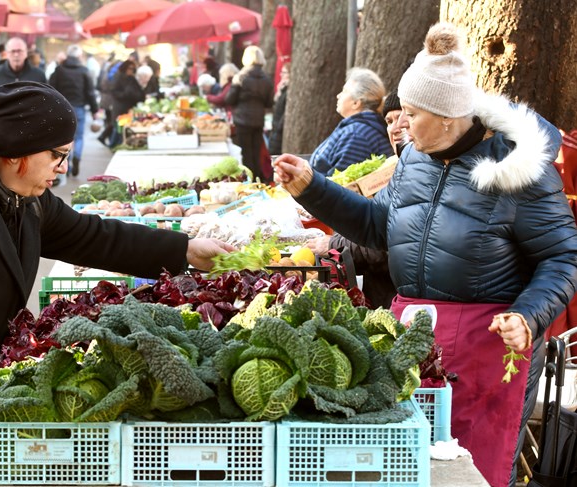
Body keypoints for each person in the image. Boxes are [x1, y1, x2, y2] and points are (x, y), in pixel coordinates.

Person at [0, 81, 235, 487]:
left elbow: (93, 236)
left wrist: (185, 250)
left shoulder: (24, 196)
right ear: (18, 153)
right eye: (57, 155)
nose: (63, 168)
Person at [273, 23, 577, 487]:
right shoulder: (413, 158)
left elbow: (563, 258)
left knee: (470, 471)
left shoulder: (522, 171)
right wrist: (312, 189)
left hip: (489, 344)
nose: (399, 123)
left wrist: (528, 316)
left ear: (448, 118)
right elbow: (378, 226)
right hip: (413, 333)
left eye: (411, 114)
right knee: (406, 467)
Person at [303, 90, 405, 309]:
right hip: (384, 298)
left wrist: (334, 243)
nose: (396, 128)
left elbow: (386, 241)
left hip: (393, 302)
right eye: (390, 120)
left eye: (405, 118)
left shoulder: (414, 174)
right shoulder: (399, 168)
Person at [310, 67, 393, 176]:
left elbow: (338, 183)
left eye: (344, 91)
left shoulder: (357, 134)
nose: (338, 96)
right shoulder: (358, 129)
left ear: (356, 103)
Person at [225, 45, 274, 183]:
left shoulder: (240, 77)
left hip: (242, 120)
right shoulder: (267, 79)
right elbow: (269, 103)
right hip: (258, 120)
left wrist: (234, 85)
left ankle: (248, 181)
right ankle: (257, 180)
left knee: (245, 153)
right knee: (256, 152)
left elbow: (229, 99)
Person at [49, 44, 99, 177]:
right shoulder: (84, 70)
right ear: (79, 56)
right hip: (79, 108)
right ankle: (77, 156)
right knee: (79, 137)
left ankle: (68, 164)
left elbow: (50, 88)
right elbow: (90, 92)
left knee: (65, 138)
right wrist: (95, 110)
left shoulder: (59, 70)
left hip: (63, 108)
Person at [0, 37, 46, 109]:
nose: (16, 55)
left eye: (19, 51)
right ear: (6, 53)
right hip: (2, 119)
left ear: (26, 53)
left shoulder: (39, 75)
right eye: (13, 51)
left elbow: (46, 100)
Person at [109, 59, 145, 148]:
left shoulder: (132, 79)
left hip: (129, 106)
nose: (131, 70)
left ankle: (116, 144)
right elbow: (114, 91)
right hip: (120, 106)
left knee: (122, 127)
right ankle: (113, 144)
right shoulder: (118, 77)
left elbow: (138, 92)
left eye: (133, 69)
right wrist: (125, 94)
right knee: (118, 127)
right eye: (129, 68)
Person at [268, 61, 290, 156]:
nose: (281, 75)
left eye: (284, 72)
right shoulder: (283, 89)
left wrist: (278, 128)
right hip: (276, 129)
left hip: (279, 131)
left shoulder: (289, 91)